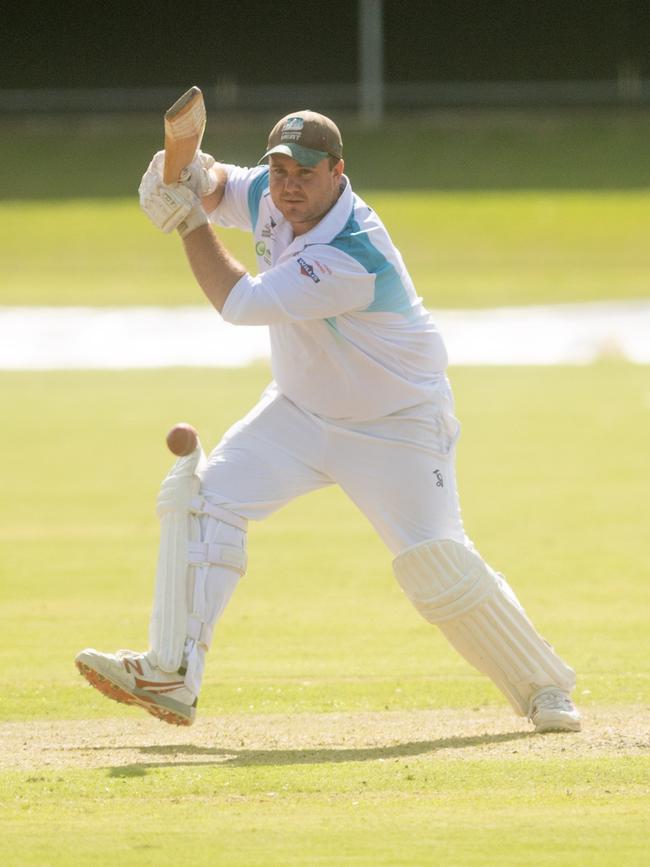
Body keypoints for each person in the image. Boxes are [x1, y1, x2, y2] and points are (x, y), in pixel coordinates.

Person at [75, 110, 581, 734]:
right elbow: (222, 182)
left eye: (305, 175)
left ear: (338, 173)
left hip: (393, 424)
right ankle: (173, 671)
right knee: (207, 504)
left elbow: (242, 304)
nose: (287, 187)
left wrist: (185, 217)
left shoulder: (351, 253)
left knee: (436, 566)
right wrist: (186, 171)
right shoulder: (271, 191)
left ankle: (545, 687)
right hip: (299, 411)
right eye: (279, 170)